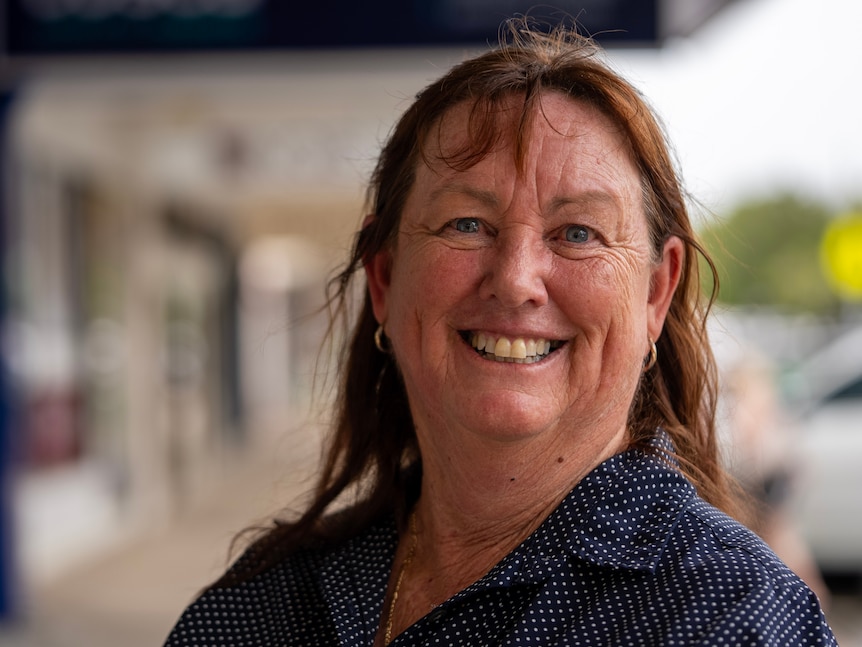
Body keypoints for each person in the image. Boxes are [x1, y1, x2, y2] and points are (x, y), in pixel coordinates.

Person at [164, 19, 836, 646]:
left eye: (578, 232)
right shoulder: (255, 606)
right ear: (385, 277)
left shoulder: (734, 615)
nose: (516, 280)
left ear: (656, 292)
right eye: (466, 224)